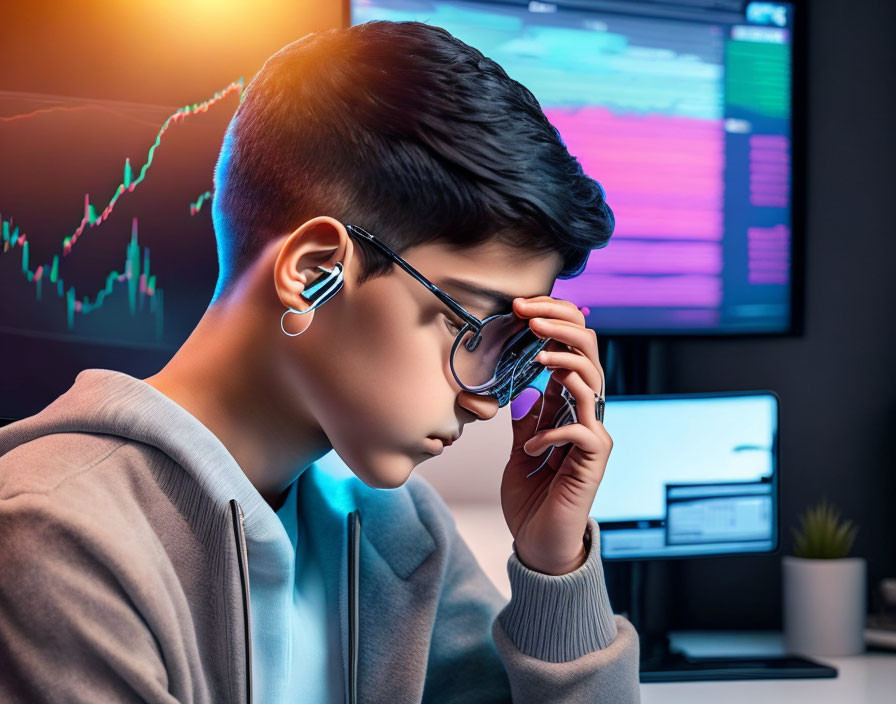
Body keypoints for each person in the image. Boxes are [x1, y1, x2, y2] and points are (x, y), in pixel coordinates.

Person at [0, 19, 640, 704]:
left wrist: (555, 568)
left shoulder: (397, 526)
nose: (485, 400)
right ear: (313, 273)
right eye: (472, 327)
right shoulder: (55, 535)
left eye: (512, 349)